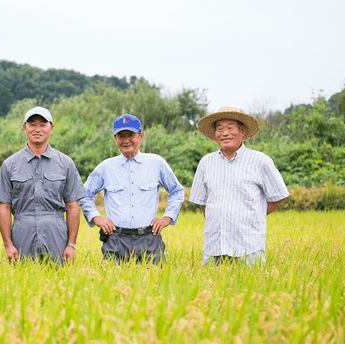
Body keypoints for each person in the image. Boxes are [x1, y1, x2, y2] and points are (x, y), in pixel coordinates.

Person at [189, 107, 290, 266]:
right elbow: (203, 202)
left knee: (251, 289)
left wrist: (254, 215)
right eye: (220, 128)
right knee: (210, 289)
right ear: (215, 134)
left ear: (242, 131)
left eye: (230, 127)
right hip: (214, 246)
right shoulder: (206, 163)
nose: (225, 133)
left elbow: (279, 195)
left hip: (249, 247)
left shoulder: (260, 161)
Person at [79, 114, 185, 263]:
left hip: (149, 238)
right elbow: (83, 194)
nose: (126, 140)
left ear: (140, 136)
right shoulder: (106, 167)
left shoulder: (156, 163)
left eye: (131, 135)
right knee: (113, 283)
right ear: (115, 138)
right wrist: (97, 218)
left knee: (154, 283)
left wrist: (167, 217)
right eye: (121, 136)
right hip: (116, 240)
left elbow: (177, 191)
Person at [0, 106, 86, 264]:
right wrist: (8, 245)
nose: (37, 129)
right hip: (22, 232)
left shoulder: (65, 163)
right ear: (25, 127)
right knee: (24, 283)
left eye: (43, 124)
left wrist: (71, 244)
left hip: (56, 233)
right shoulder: (10, 164)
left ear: (51, 128)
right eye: (32, 124)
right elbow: (4, 207)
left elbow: (73, 205)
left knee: (59, 283)